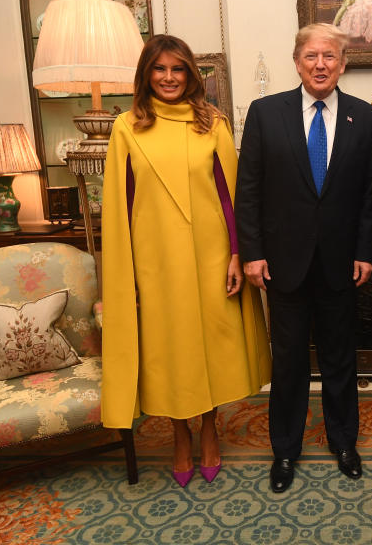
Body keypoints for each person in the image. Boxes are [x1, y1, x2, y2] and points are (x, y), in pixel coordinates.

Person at [101, 34, 271, 488]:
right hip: (154, 260)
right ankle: (179, 436)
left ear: (190, 75)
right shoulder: (126, 127)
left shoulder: (211, 122)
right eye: (160, 69)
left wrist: (238, 253)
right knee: (169, 349)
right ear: (146, 75)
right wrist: (127, 274)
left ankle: (210, 429)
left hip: (211, 256)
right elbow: (121, 203)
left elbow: (230, 194)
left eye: (178, 69)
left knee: (210, 347)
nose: (169, 77)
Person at [235, 23, 372, 494]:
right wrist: (252, 253)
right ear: (297, 61)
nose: (321, 65)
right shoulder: (264, 113)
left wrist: (364, 252)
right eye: (312, 56)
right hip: (283, 263)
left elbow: (370, 196)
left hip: (341, 263)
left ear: (343, 64)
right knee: (290, 363)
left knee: (341, 360)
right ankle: (285, 450)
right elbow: (249, 189)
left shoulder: (366, 117)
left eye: (330, 57)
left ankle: (344, 443)